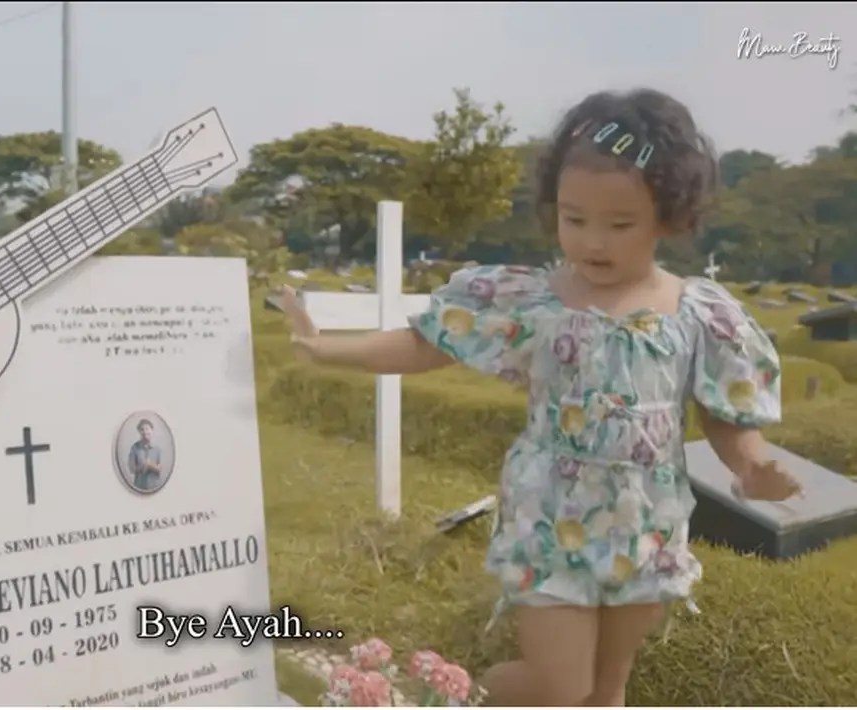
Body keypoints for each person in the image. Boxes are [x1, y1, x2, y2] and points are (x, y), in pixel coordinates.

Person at [278, 88, 801, 707]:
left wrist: (750, 462)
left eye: (620, 224)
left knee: (606, 690)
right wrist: (324, 348)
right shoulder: (532, 301)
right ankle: (477, 698)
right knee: (559, 689)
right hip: (550, 519)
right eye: (574, 219)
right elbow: (427, 344)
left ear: (668, 215)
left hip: (648, 529)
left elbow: (724, 413)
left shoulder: (699, 313)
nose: (593, 242)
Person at [127, 418, 163, 492]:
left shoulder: (157, 449)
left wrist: (149, 464)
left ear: (152, 430)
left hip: (155, 488)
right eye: (142, 429)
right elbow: (131, 469)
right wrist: (143, 465)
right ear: (139, 432)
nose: (145, 431)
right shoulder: (134, 448)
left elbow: (160, 469)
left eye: (147, 428)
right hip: (138, 488)